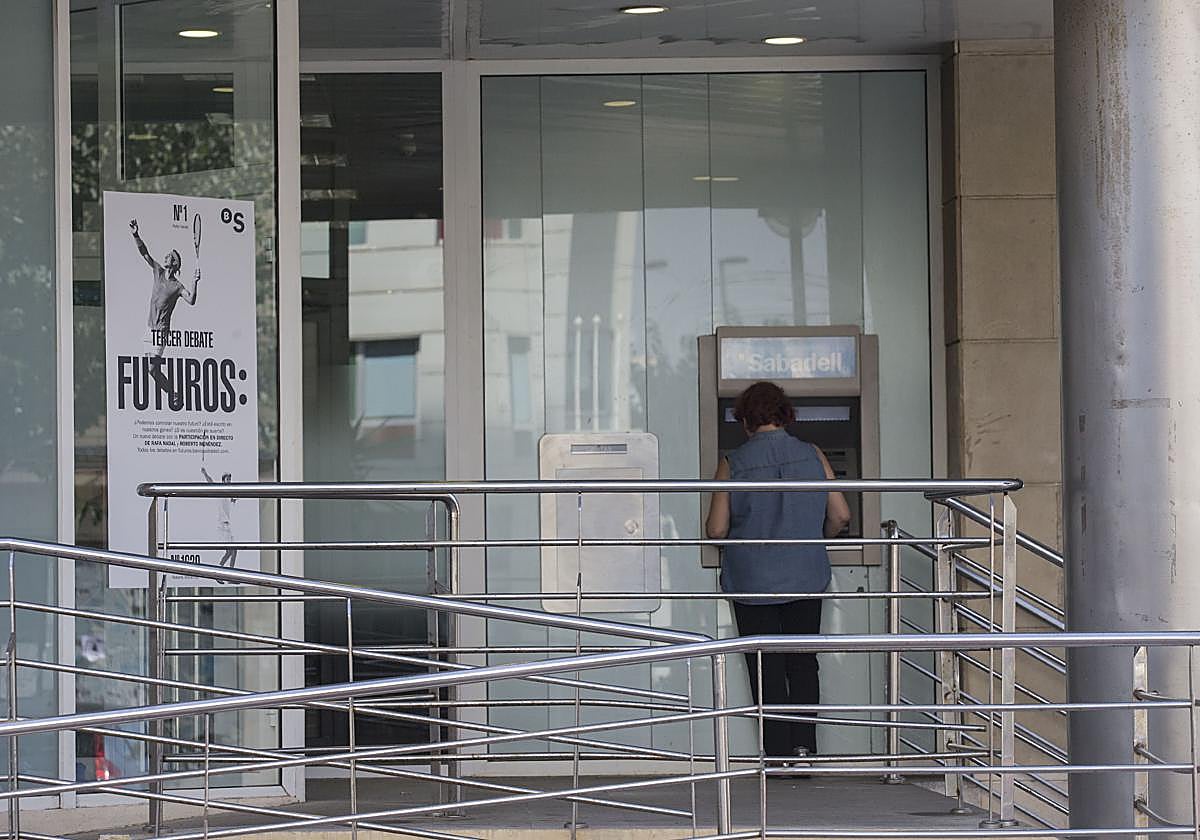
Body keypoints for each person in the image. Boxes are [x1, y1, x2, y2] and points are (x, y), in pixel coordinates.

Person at [705, 381, 851, 765]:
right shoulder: (813, 454)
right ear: (785, 415)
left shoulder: (732, 462)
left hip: (752, 579)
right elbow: (841, 515)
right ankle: (804, 749)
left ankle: (779, 756)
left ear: (746, 420)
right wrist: (813, 537)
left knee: (765, 664)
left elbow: (717, 529)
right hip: (805, 575)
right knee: (803, 661)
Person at [130, 219, 199, 409]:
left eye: (170, 256)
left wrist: (195, 281)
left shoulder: (177, 286)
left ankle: (174, 394)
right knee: (151, 371)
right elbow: (145, 253)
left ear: (175, 264)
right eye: (167, 255)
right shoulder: (158, 272)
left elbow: (191, 299)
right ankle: (174, 393)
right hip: (148, 328)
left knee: (152, 368)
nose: (167, 256)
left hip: (161, 331)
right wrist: (136, 235)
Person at [201, 467, 238, 570]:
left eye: (230, 479)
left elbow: (233, 499)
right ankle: (221, 571)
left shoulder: (230, 493)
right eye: (227, 479)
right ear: (223, 480)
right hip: (223, 526)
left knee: (233, 551)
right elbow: (210, 482)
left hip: (227, 526)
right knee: (232, 551)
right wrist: (205, 473)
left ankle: (228, 573)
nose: (229, 481)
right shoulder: (219, 490)